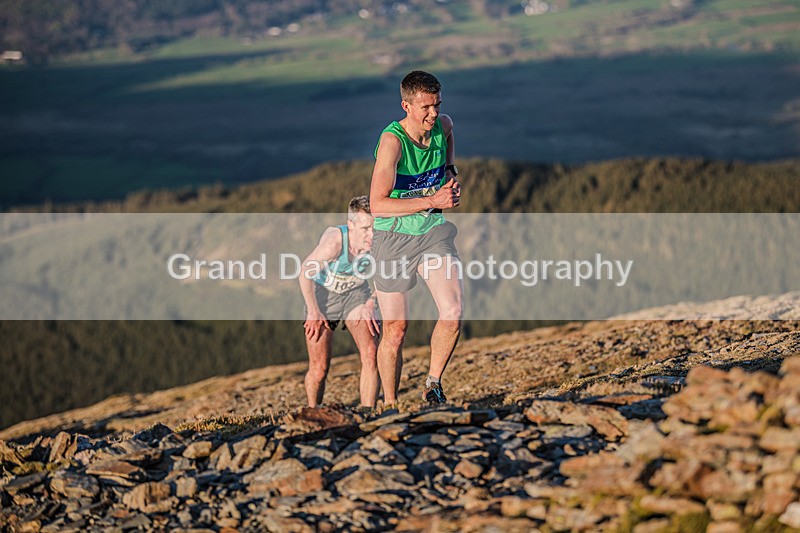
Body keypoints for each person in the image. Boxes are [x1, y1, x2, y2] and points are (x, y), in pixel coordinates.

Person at [369, 70, 463, 406]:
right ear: (406, 106)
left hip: (433, 234)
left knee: (452, 312)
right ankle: (391, 405)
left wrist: (450, 170)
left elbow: (449, 133)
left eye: (437, 105)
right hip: (393, 240)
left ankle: (433, 384)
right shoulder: (392, 142)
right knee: (396, 329)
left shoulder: (444, 125)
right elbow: (377, 205)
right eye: (425, 107)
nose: (433, 114)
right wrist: (432, 201)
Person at [300, 196, 381, 408]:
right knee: (319, 368)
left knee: (371, 353)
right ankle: (313, 411)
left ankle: (368, 414)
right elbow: (304, 273)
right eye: (365, 228)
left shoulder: (380, 241)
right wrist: (313, 312)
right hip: (323, 296)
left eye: (374, 227)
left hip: (357, 294)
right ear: (351, 226)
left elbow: (389, 277)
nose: (371, 234)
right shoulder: (335, 242)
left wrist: (371, 302)